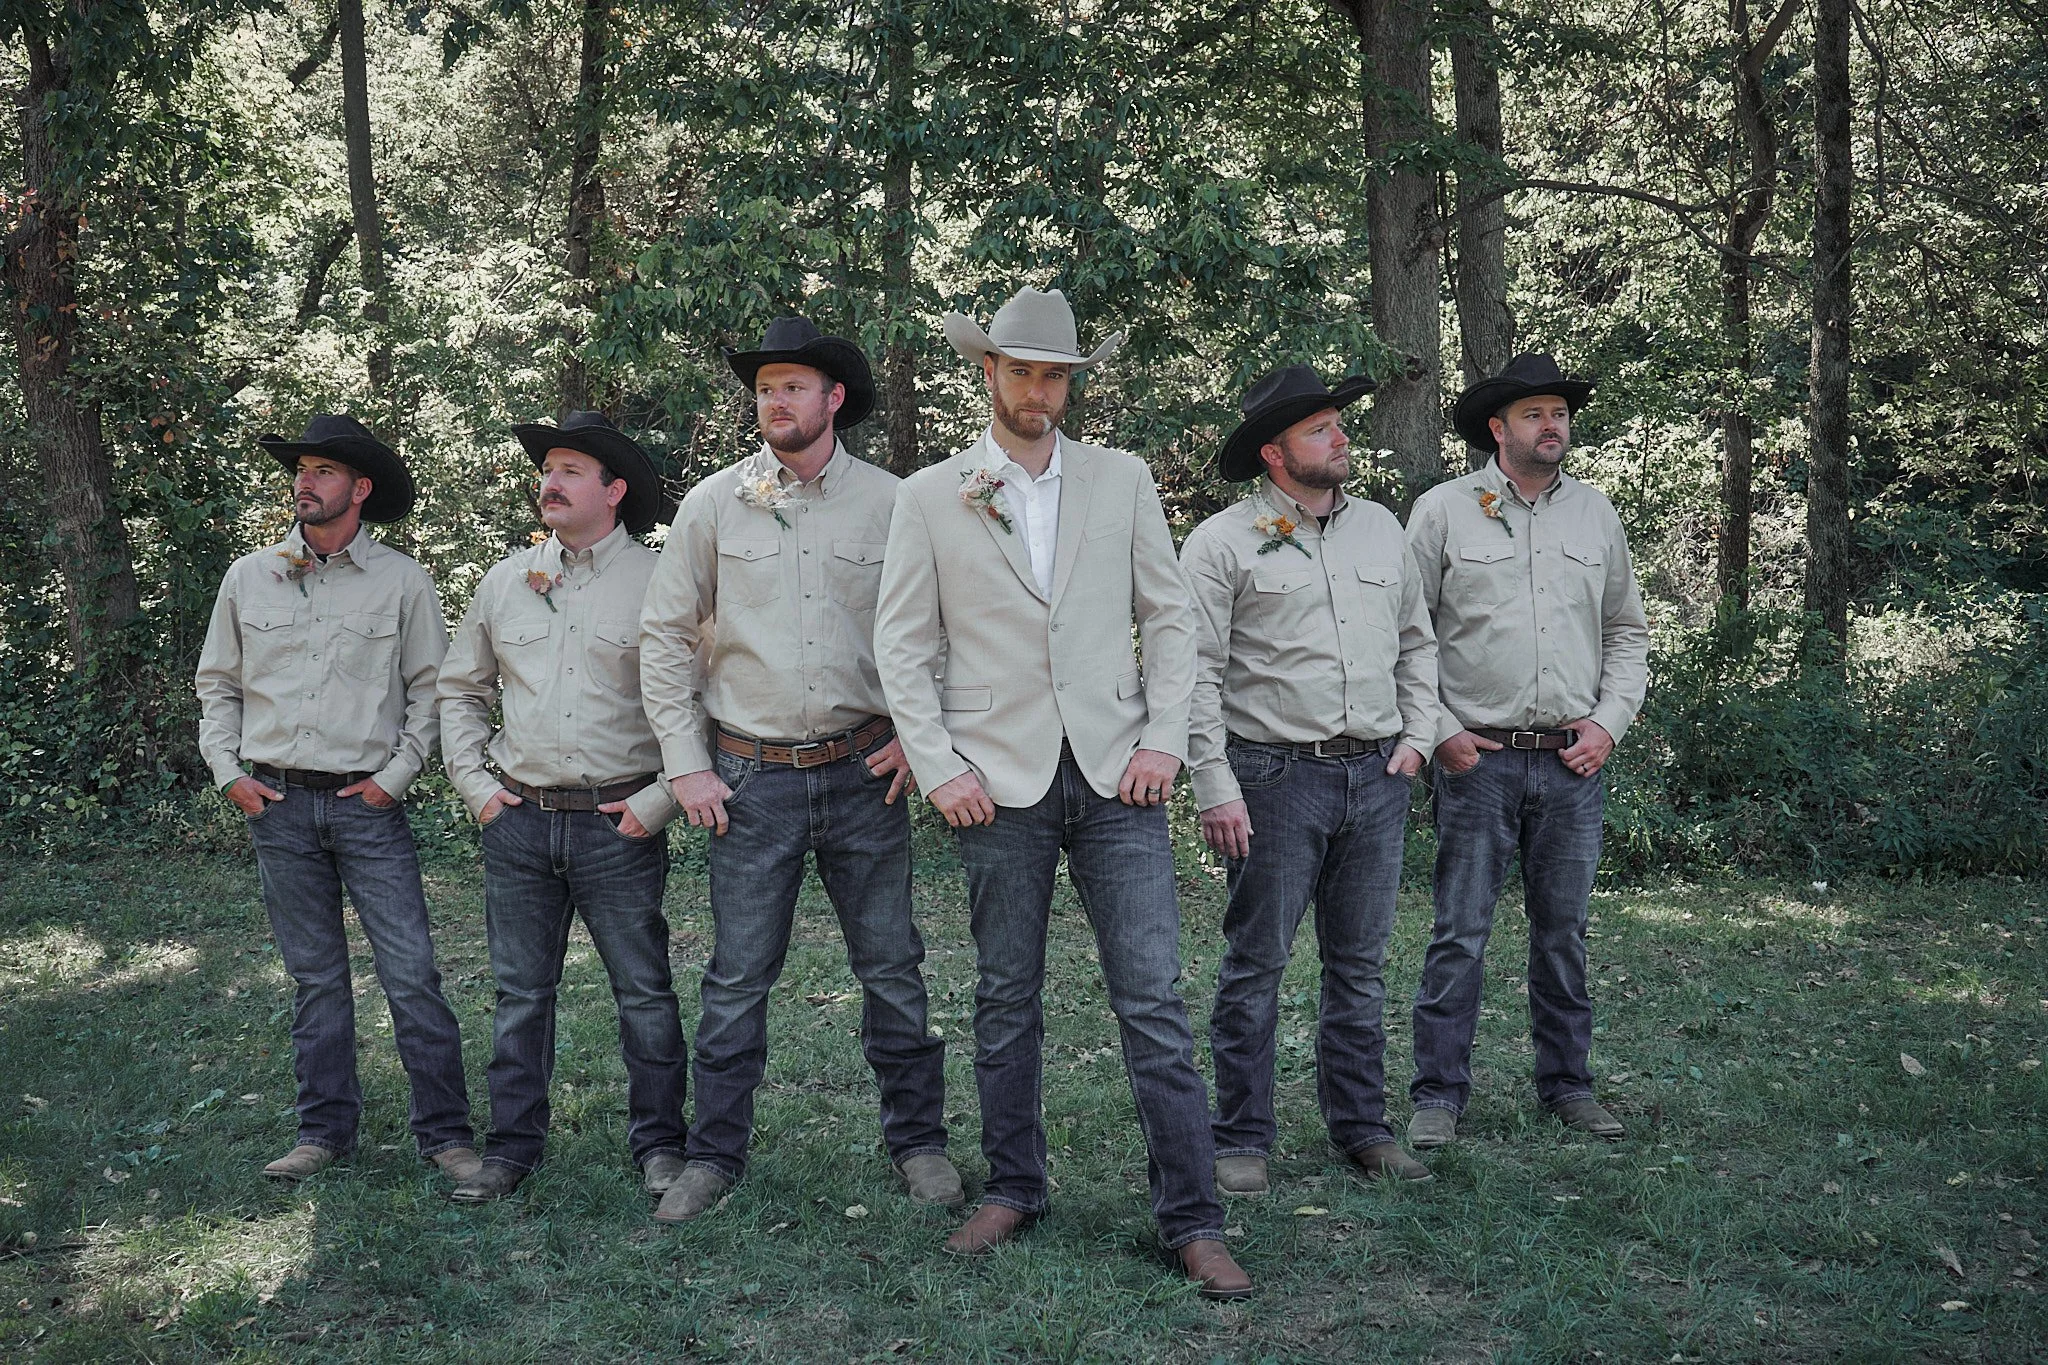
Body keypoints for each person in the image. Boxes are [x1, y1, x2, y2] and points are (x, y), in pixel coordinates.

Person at [874, 286, 1250, 1300]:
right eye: (1024, 371)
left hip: (1118, 776)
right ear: (986, 372)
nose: (1042, 391)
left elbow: (1169, 621)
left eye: (1058, 375)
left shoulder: (1121, 480)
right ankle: (1014, 1185)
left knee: (1152, 1000)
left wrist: (1165, 743)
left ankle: (1191, 1215)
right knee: (1004, 998)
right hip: (994, 785)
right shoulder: (930, 495)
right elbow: (901, 648)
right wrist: (940, 763)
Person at [639, 316, 955, 1223]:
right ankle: (713, 1155)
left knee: (893, 967)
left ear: (833, 399)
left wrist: (916, 734)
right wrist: (686, 766)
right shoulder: (713, 504)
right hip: (748, 777)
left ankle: (920, 1143)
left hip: (867, 771)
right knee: (737, 976)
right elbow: (665, 638)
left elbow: (941, 628)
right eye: (765, 386)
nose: (774, 400)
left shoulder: (900, 503)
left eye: (792, 385)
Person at [1180, 365, 1446, 1196]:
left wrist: (1418, 738)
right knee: (1257, 962)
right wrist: (1214, 783)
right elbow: (1193, 673)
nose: (1340, 438)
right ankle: (1242, 1136)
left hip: (1375, 774)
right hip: (1271, 777)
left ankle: (1362, 1127)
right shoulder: (1223, 542)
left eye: (1338, 423)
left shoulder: (1381, 530)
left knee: (1360, 966)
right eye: (1321, 428)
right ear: (1274, 451)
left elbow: (1418, 643)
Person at [194, 414, 476, 1183]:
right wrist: (229, 773)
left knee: (412, 972)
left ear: (360, 489)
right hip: (277, 805)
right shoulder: (249, 576)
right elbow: (218, 686)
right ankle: (323, 1134)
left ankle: (446, 1135)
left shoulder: (401, 581)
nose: (304, 482)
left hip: (368, 806)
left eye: (323, 471)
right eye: (302, 469)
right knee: (316, 978)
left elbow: (434, 690)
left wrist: (399, 774)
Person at [435, 412, 688, 1202]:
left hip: (621, 822)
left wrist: (658, 801)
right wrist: (480, 791)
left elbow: (703, 704)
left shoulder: (662, 582)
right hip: (519, 823)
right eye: (549, 467)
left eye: (571, 468)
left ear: (613, 491)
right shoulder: (505, 580)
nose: (551, 479)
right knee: (519, 993)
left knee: (644, 992)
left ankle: (660, 1146)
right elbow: (460, 690)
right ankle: (511, 1147)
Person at [1404, 353, 1650, 1148]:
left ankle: (1568, 1086)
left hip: (1571, 762)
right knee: (1460, 930)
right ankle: (1438, 1096)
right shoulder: (1444, 510)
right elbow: (1406, 637)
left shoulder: (1595, 516)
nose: (1554, 426)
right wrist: (1440, 730)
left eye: (1561, 413)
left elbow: (1626, 634)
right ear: (1497, 428)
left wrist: (1607, 724)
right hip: (1478, 762)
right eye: (1536, 414)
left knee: (1563, 932)